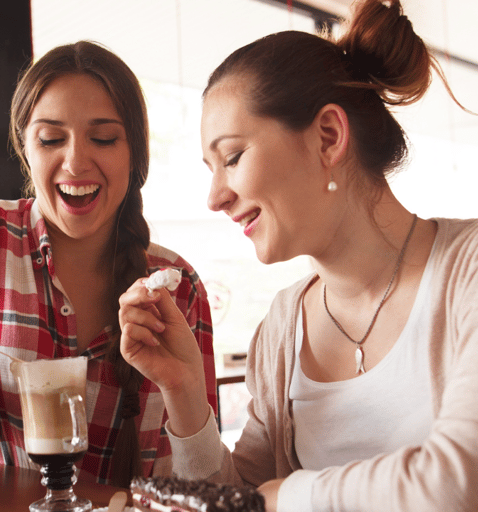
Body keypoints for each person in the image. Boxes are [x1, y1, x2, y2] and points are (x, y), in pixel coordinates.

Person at [118, 0, 478, 510]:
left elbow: (458, 481)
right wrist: (184, 392)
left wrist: (285, 496)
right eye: (210, 169)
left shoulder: (469, 273)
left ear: (328, 137)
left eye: (233, 157)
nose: (215, 197)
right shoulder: (283, 327)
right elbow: (240, 498)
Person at [0, 40, 217, 489]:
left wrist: (185, 394)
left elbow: (204, 484)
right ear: (26, 149)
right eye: (51, 138)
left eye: (103, 138)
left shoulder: (178, 289)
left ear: (135, 153)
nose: (76, 161)